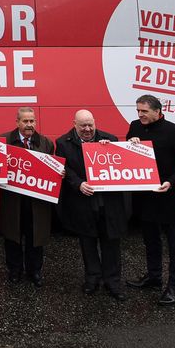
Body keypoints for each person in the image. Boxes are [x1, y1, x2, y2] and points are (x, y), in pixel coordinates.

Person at [126, 95, 175, 305]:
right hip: (145, 197)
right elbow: (130, 155)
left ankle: (174, 287)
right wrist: (131, 143)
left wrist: (171, 182)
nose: (140, 115)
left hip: (167, 197)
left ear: (158, 111)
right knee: (150, 240)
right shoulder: (135, 126)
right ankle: (154, 277)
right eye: (138, 111)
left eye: (144, 111)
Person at [55, 110, 128, 301]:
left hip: (108, 203)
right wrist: (78, 183)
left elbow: (124, 162)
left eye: (90, 125)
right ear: (74, 124)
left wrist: (111, 148)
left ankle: (113, 282)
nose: (87, 129)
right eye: (83, 126)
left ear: (95, 122)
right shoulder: (63, 143)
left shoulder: (109, 139)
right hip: (83, 201)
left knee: (111, 243)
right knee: (87, 243)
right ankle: (92, 279)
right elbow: (64, 169)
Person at [0, 107, 55, 288]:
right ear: (17, 122)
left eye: (32, 121)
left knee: (35, 237)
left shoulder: (46, 143)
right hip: (12, 201)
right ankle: (14, 270)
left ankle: (34, 271)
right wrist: (1, 163)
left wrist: (57, 172)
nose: (29, 125)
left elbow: (51, 169)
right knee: (12, 236)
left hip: (36, 202)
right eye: (25, 121)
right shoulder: (4, 140)